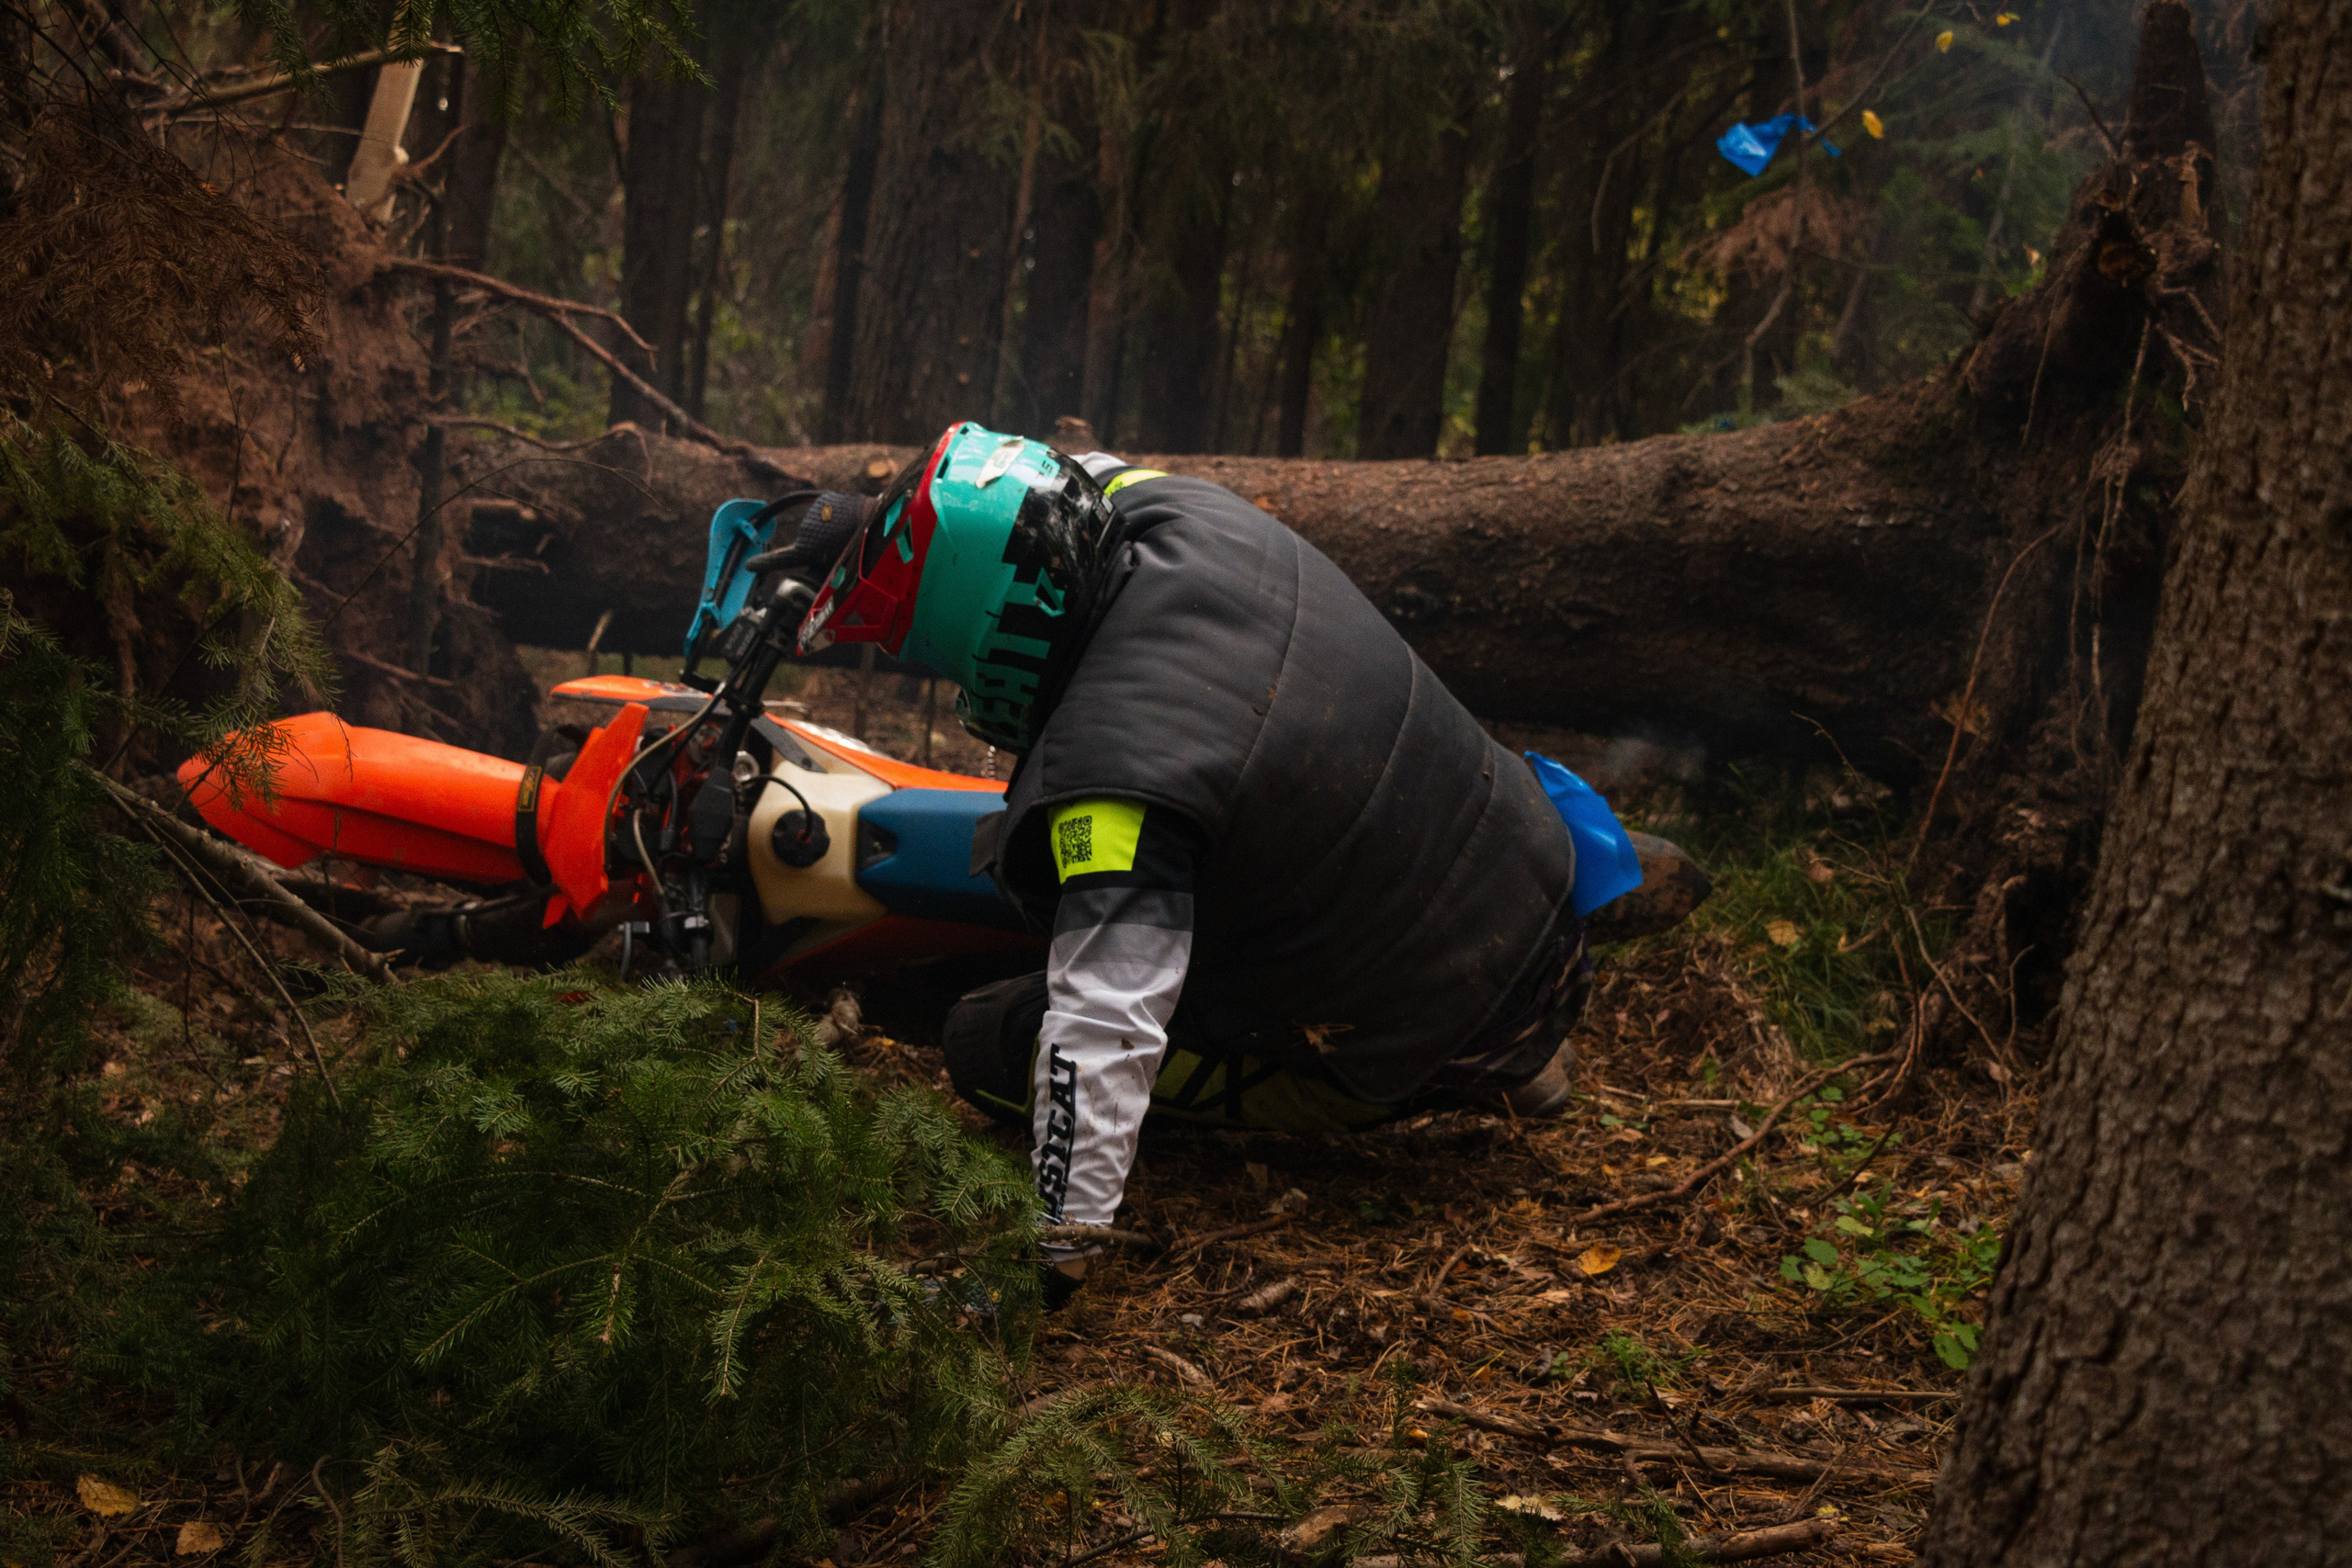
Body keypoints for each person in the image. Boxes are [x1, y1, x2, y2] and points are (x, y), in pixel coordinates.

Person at [775, 423, 1707, 1303]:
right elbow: (1058, 477)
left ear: (992, 630)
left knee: (988, 1039)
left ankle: (1468, 1066)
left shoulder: (1117, 772)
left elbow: (1104, 1025)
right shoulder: (1180, 509)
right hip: (1520, 861)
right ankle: (1506, 980)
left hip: (1432, 1026)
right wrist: (875, 528)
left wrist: (1054, 1254)